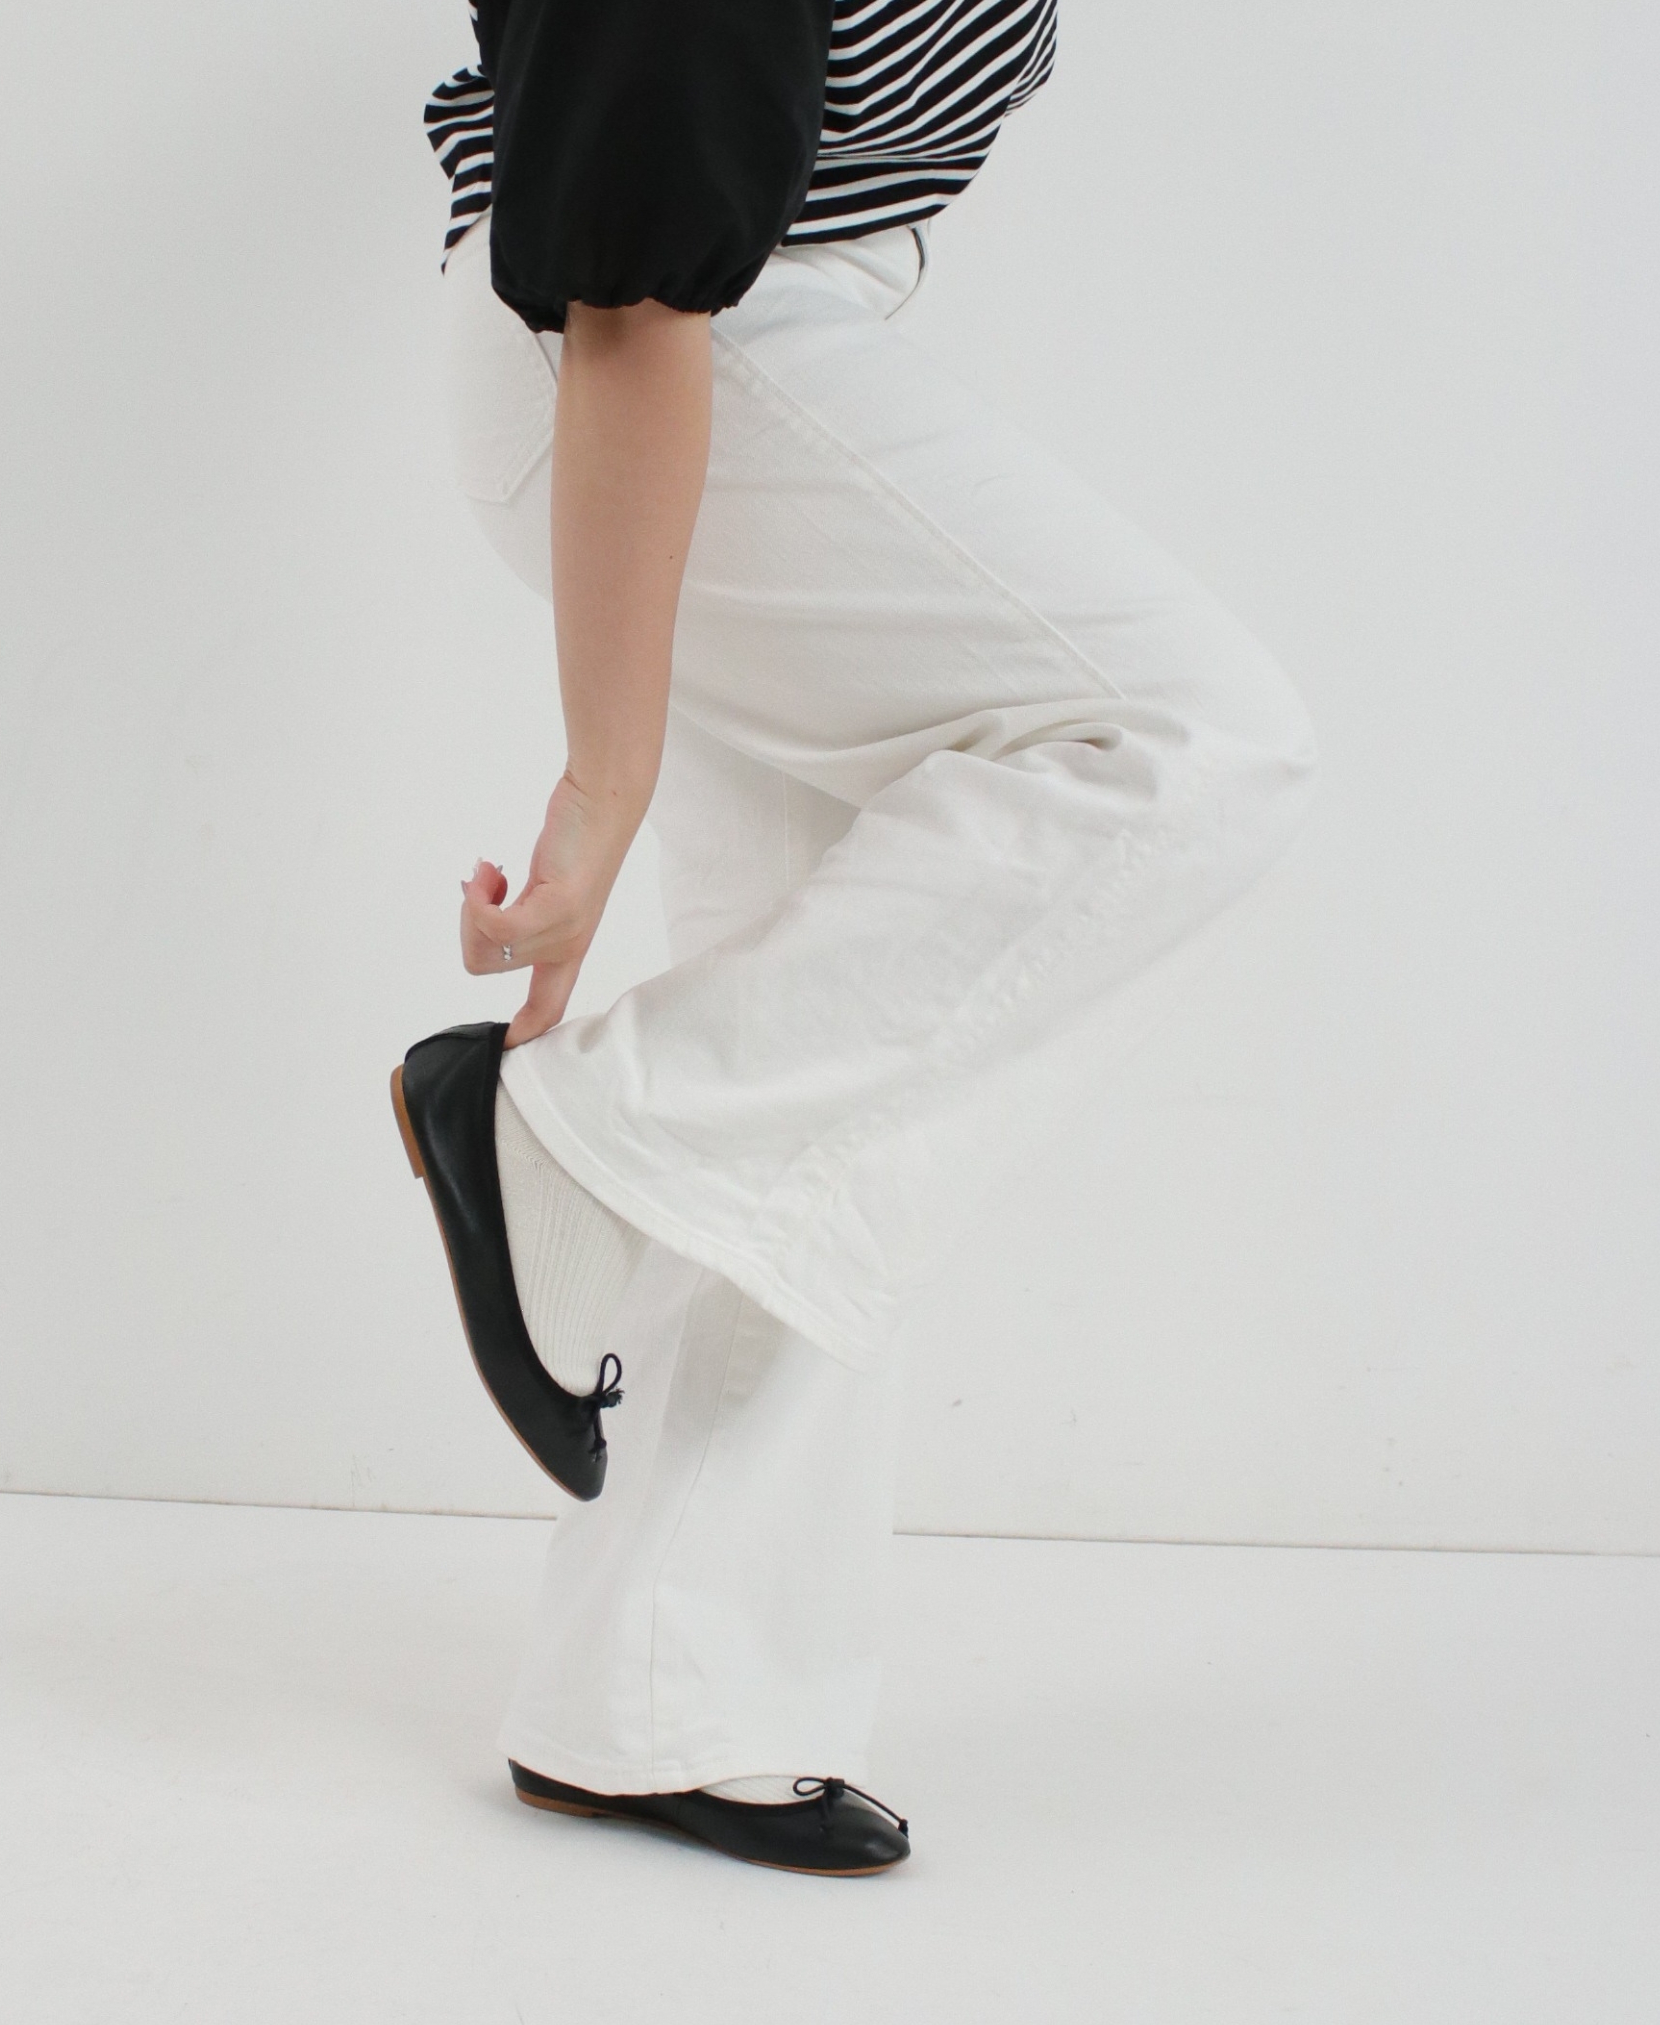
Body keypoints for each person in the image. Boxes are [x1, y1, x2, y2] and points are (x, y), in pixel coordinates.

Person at [391, 0, 1317, 1876]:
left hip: (732, 341)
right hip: (649, 350)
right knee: (1192, 742)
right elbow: (634, 241)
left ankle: (662, 1700)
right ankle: (572, 1142)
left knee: (826, 1053)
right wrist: (603, 775)